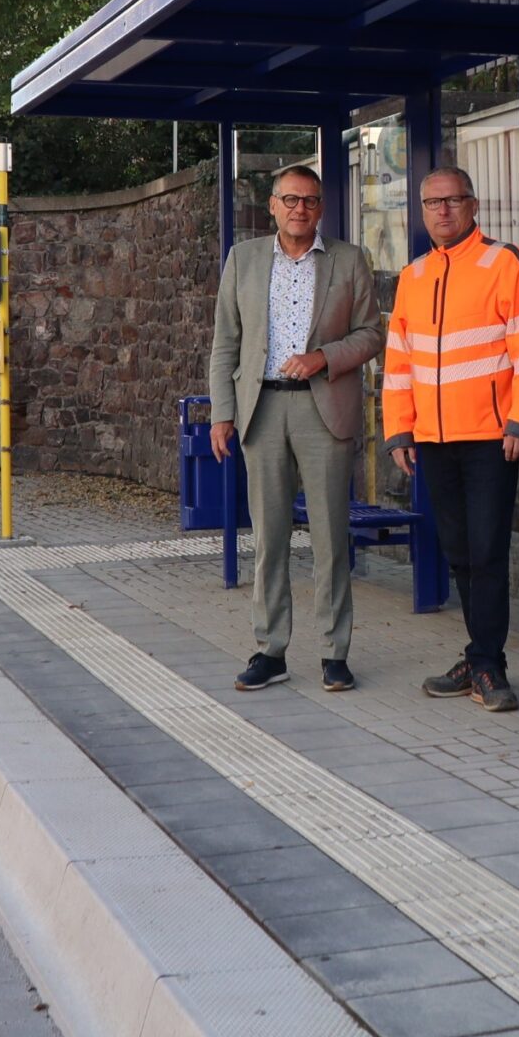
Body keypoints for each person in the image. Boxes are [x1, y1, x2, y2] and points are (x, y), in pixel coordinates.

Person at [209, 165, 383, 693]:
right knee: (269, 538)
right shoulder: (244, 259)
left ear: (321, 208)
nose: (299, 209)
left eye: (309, 201)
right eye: (290, 200)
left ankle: (335, 652)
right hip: (261, 411)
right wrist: (222, 412)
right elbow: (225, 343)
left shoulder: (349, 260)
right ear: (272, 205)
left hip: (323, 409)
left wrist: (323, 358)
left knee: (331, 537)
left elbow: (372, 334)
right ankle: (271, 649)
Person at [382, 167, 519, 714]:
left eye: (452, 201)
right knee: (459, 553)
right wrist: (399, 427)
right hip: (433, 439)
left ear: (473, 205)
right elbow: (399, 362)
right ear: (422, 211)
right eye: (432, 203)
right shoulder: (413, 275)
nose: (442, 211)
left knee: (488, 549)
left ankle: (489, 665)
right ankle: (478, 657)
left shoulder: (506, 262)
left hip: (492, 438)